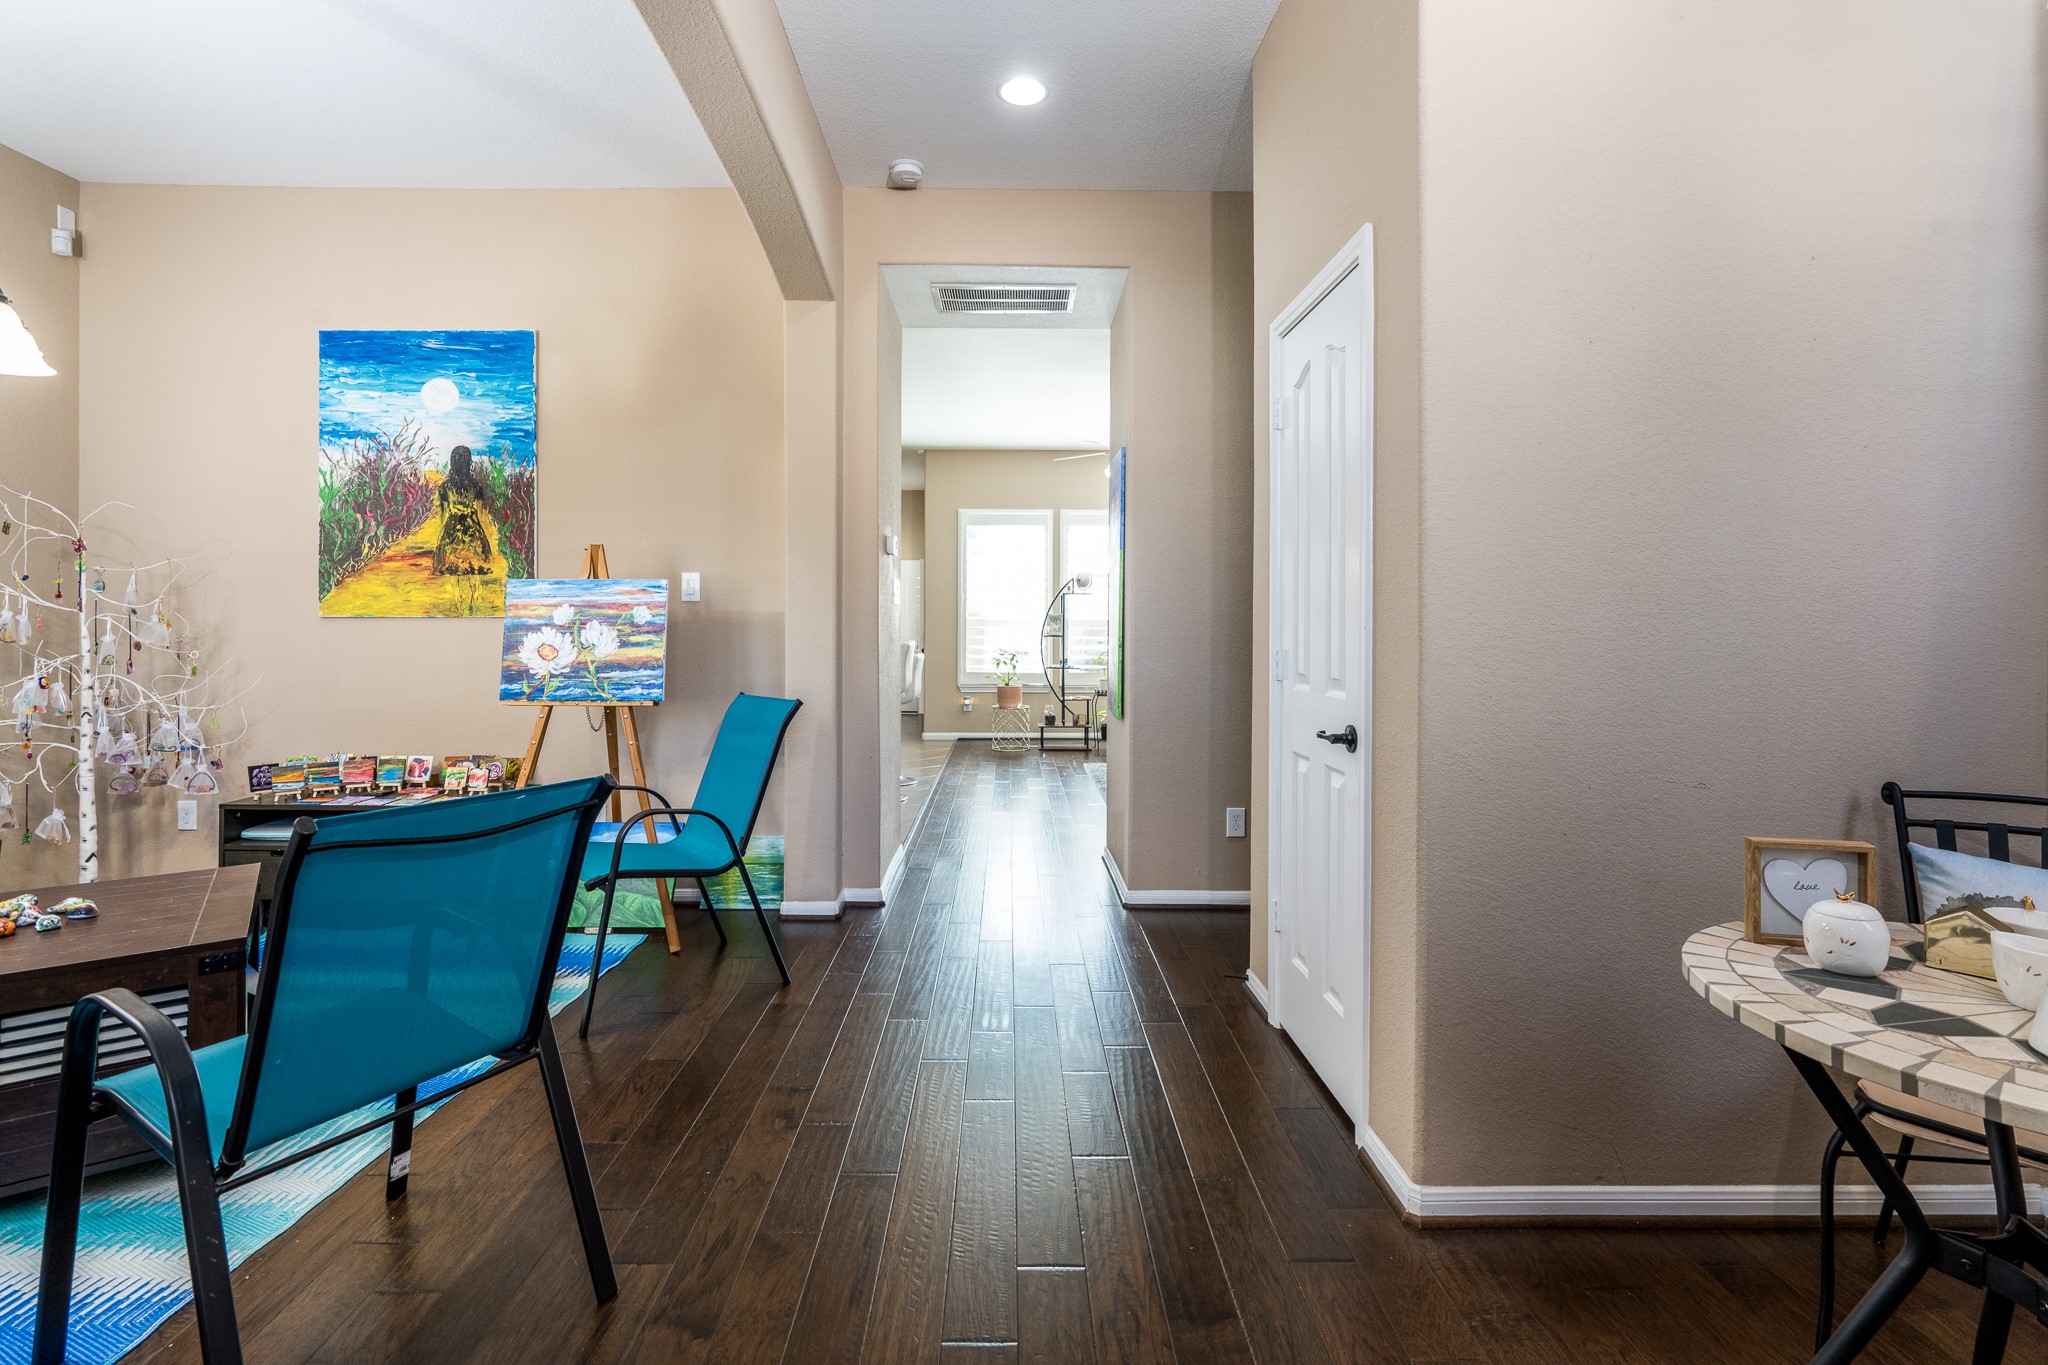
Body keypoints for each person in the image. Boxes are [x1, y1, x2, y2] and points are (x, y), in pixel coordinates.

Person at [433, 444, 495, 575]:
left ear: (452, 463)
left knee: (447, 563)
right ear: (468, 463)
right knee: (478, 562)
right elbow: (481, 514)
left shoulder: (445, 487)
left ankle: (453, 564)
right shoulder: (476, 486)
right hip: (472, 526)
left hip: (452, 526)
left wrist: (443, 534)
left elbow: (443, 514)